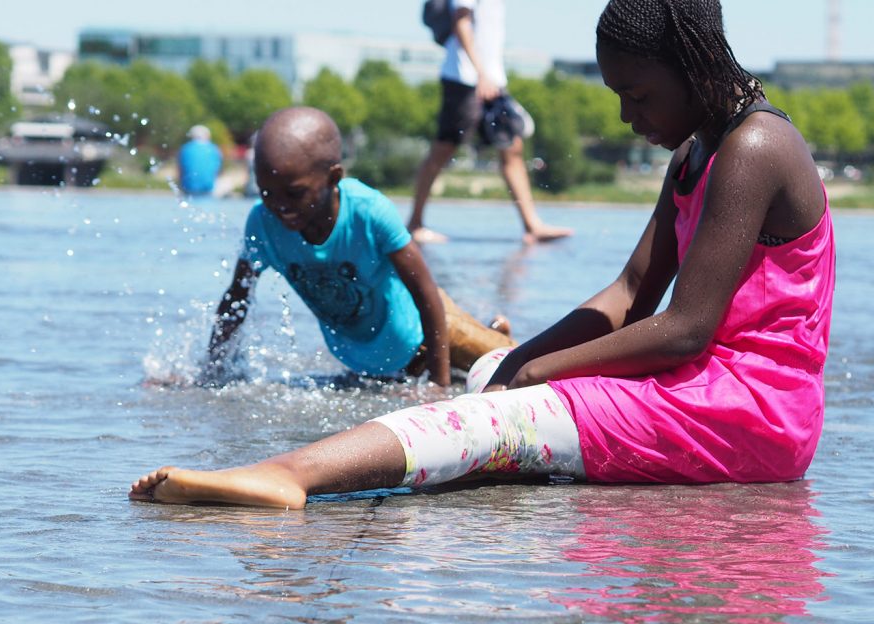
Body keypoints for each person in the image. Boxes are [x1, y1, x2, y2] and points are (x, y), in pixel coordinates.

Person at [130, 0, 835, 509]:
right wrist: (521, 360)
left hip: (751, 415)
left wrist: (540, 376)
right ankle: (456, 431)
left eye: (638, 95)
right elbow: (627, 294)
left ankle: (290, 475)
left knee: (503, 413)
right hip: (704, 391)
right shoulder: (695, 152)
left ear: (694, 64)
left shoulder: (754, 148)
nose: (628, 117)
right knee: (494, 370)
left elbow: (685, 326)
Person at [204, 106, 513, 388]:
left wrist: (438, 387)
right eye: (266, 192)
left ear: (333, 177)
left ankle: (497, 336)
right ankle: (491, 333)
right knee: (470, 382)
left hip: (434, 331)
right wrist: (211, 374)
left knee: (516, 369)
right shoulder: (262, 223)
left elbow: (425, 292)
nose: (279, 205)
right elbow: (236, 300)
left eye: (294, 193)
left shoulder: (368, 212)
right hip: (371, 362)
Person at [407, 0, 574, 245]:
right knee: (444, 148)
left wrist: (489, 75)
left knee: (512, 146)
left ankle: (532, 225)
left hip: (491, 79)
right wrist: (481, 73)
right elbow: (461, 21)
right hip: (465, 78)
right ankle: (414, 223)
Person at [177, 124, 223, 195]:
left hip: (187, 188)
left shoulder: (185, 148)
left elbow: (180, 170)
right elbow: (218, 171)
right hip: (208, 188)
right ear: (207, 136)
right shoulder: (214, 149)